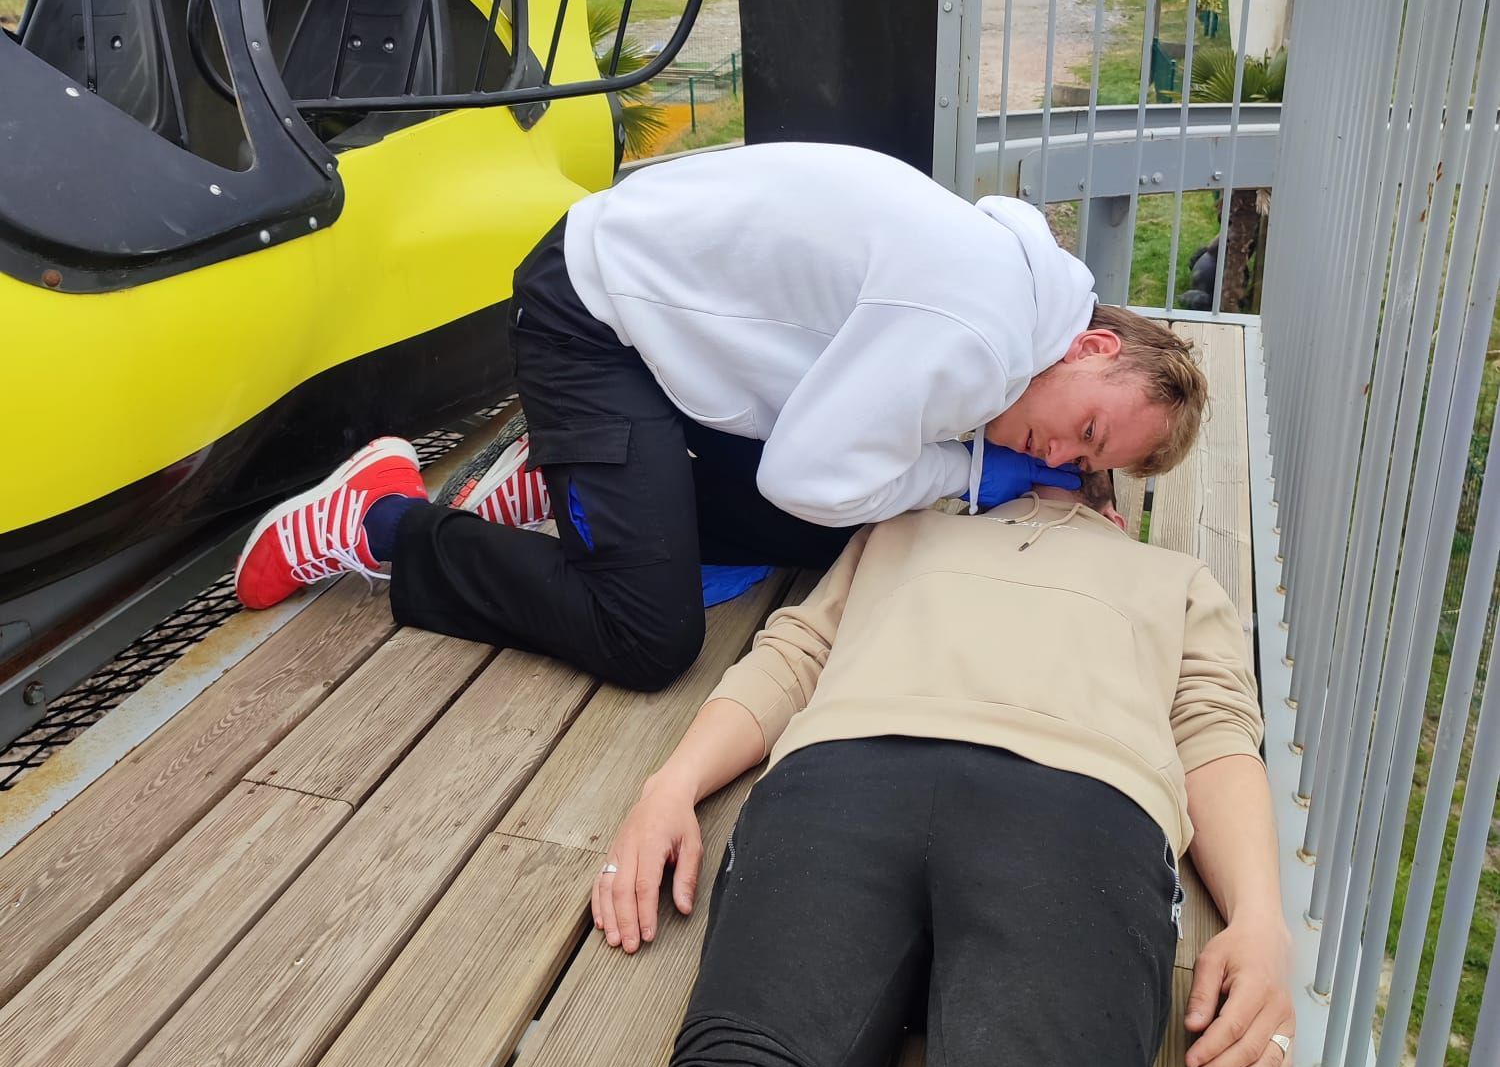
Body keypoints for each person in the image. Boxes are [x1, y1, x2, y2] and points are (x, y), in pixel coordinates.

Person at [564, 471, 1294, 1067]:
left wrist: (1262, 920)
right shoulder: (1137, 569)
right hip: (1071, 821)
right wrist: (668, 787)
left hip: (861, 790)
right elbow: (1214, 738)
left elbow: (794, 657)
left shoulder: (1114, 564)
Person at [234, 142, 1206, 692]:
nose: (1060, 453)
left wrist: (1026, 469)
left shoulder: (1020, 289)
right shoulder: (981, 335)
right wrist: (971, 476)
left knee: (855, 518)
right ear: (1090, 346)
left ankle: (567, 471)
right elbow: (805, 478)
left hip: (662, 331)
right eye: (1085, 431)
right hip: (593, 314)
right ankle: (378, 520)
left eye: (1086, 462)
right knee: (646, 637)